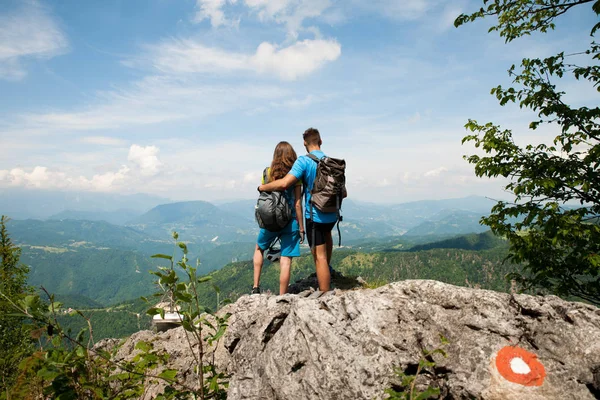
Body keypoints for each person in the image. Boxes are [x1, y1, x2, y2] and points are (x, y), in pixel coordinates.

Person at [259, 128, 337, 292]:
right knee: (327, 238)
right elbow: (343, 193)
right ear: (320, 141)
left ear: (304, 144)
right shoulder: (331, 162)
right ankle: (327, 273)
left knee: (319, 256)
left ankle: (324, 294)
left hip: (315, 215)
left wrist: (263, 187)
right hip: (332, 213)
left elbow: (284, 184)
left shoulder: (303, 161)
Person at [253, 141, 304, 295]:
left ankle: (255, 287)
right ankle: (282, 296)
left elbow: (264, 196)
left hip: (270, 221)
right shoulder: (295, 176)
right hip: (290, 222)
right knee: (286, 258)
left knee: (259, 249)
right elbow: (297, 204)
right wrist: (301, 227)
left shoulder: (266, 173)